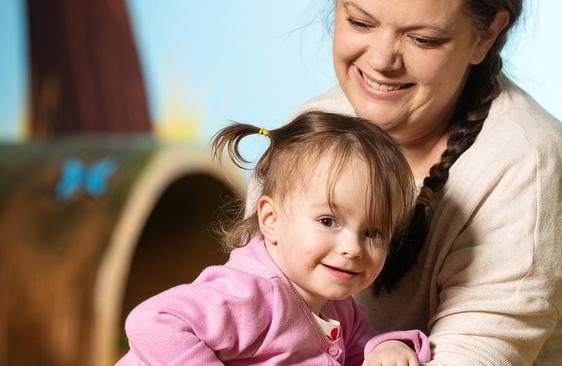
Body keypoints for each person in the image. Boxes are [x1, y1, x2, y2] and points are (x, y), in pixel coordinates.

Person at [248, 0, 562, 364]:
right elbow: (243, 309)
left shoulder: (530, 171)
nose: (381, 61)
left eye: (423, 39)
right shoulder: (312, 132)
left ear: (485, 35)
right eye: (360, 21)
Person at [116, 111, 432, 366]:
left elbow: (359, 351)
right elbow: (152, 321)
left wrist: (388, 348)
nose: (352, 249)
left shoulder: (339, 309)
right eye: (327, 221)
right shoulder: (254, 296)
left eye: (372, 233)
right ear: (271, 220)